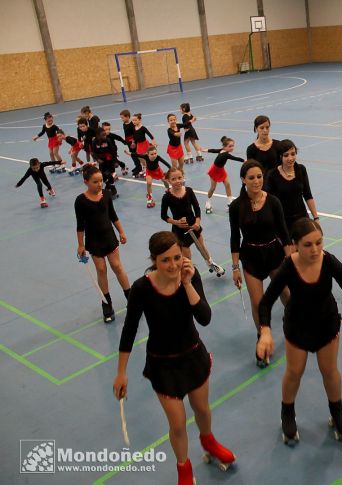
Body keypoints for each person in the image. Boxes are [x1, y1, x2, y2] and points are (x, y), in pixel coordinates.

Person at [113, 231, 235, 485]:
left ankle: (208, 440)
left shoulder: (190, 276)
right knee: (178, 424)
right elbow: (129, 330)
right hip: (163, 364)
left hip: (193, 356)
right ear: (154, 260)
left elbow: (204, 318)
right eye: (165, 260)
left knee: (202, 409)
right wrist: (121, 372)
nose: (173, 265)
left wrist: (188, 283)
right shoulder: (141, 288)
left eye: (177, 258)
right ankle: (183, 467)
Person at [257, 219, 342, 444]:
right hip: (297, 325)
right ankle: (287, 411)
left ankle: (337, 409)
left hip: (327, 323)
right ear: (295, 245)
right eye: (308, 245)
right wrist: (265, 331)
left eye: (319, 243)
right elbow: (266, 302)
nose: (315, 250)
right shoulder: (288, 267)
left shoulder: (329, 261)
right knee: (294, 372)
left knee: (330, 371)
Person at [229, 161, 292, 367]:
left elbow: (284, 232)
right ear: (243, 180)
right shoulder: (237, 206)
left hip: (274, 253)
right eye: (251, 178)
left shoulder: (273, 201)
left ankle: (292, 324)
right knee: (258, 303)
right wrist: (235, 267)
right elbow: (233, 238)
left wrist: (289, 259)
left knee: (287, 295)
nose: (256, 181)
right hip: (251, 257)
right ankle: (262, 338)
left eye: (259, 177)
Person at [74, 165, 131, 322]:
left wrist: (121, 231)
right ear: (86, 182)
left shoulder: (106, 194)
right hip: (93, 241)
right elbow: (80, 225)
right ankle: (107, 304)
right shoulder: (80, 201)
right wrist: (80, 245)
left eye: (100, 181)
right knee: (101, 270)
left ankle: (131, 298)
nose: (99, 184)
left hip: (109, 237)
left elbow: (113, 215)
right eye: (95, 182)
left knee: (117, 267)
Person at [161, 168, 224, 276]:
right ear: (168, 181)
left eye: (180, 178)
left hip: (194, 226)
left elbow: (197, 208)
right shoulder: (167, 197)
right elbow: (164, 216)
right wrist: (176, 222)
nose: (177, 181)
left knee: (202, 248)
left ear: (183, 177)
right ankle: (190, 275)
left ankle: (210, 263)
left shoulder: (189, 191)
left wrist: (197, 222)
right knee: (187, 256)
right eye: (174, 179)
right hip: (180, 231)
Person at [264, 139, 319, 233]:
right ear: (280, 156)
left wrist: (316, 218)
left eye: (293, 154)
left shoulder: (301, 169)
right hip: (283, 221)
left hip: (302, 218)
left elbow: (308, 195)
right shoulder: (272, 175)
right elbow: (268, 202)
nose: (290, 158)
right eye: (286, 155)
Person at [202, 136, 245, 213]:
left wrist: (206, 150)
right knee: (213, 188)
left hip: (221, 170)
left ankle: (229, 203)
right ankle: (208, 202)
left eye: (233, 146)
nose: (232, 148)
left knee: (227, 184)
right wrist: (244, 160)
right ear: (225, 147)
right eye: (230, 146)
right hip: (214, 171)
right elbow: (235, 158)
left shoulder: (222, 150)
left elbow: (214, 150)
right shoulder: (226, 154)